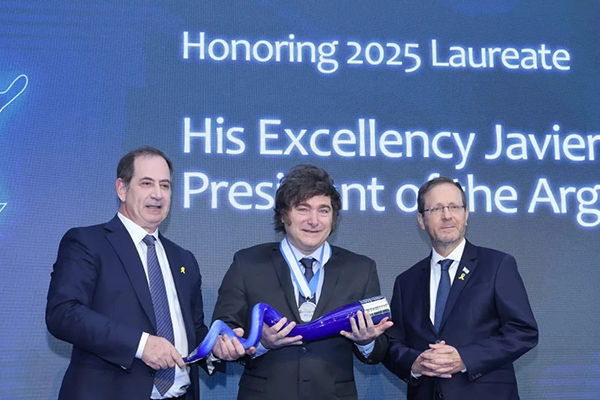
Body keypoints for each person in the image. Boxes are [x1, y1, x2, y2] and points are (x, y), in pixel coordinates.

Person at [210, 164, 393, 400]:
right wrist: (261, 342)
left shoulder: (361, 269)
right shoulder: (247, 263)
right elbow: (224, 331)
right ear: (283, 215)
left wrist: (367, 341)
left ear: (333, 218)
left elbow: (379, 350)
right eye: (303, 209)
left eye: (323, 210)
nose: (314, 221)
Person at [46, 146, 210, 400]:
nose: (158, 194)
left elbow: (193, 330)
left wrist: (217, 348)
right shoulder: (87, 242)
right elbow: (63, 313)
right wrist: (141, 345)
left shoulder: (184, 259)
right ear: (122, 189)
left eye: (165, 185)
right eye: (146, 183)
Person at [383, 176, 538, 400]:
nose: (447, 215)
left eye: (454, 207)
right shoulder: (406, 281)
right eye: (436, 208)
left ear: (466, 215)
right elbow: (393, 344)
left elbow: (523, 331)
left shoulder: (497, 265)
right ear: (421, 220)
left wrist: (465, 358)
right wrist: (415, 363)